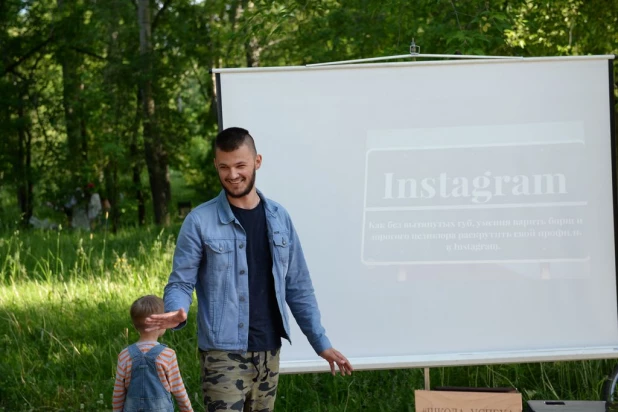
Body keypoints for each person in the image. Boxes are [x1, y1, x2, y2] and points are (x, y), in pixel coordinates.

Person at [145, 127, 353, 412]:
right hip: (222, 354)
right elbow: (180, 282)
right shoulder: (199, 221)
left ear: (257, 161)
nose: (232, 175)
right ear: (216, 166)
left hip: (269, 351)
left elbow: (298, 286)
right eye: (224, 167)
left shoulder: (280, 218)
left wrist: (320, 342)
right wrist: (177, 311)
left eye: (240, 165)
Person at [113, 295, 193, 412]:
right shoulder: (167, 355)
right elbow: (178, 389)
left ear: (135, 326)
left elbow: (118, 392)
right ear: (161, 323)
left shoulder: (124, 355)